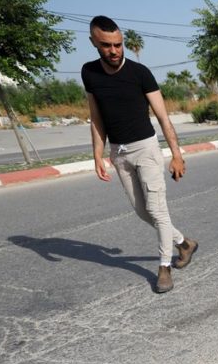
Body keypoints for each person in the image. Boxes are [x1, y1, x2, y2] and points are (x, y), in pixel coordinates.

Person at [82, 15, 197, 294]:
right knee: (143, 212)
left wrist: (176, 154)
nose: (114, 50)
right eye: (107, 45)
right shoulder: (89, 72)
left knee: (158, 210)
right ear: (94, 43)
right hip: (119, 154)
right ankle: (184, 243)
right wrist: (97, 154)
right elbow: (96, 117)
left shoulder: (140, 72)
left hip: (146, 148)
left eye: (118, 44)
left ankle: (164, 267)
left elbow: (163, 117)